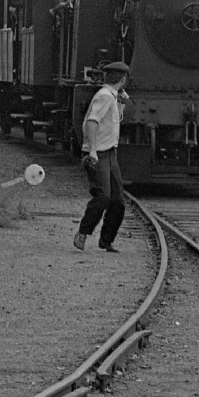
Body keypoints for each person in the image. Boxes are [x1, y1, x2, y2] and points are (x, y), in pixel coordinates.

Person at [73, 61, 130, 253]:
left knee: (118, 201)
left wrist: (121, 103)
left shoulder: (112, 97)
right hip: (99, 153)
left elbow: (112, 121)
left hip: (109, 153)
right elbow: (92, 121)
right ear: (122, 79)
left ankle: (106, 241)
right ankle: (83, 232)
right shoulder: (105, 96)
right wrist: (92, 151)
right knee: (103, 197)